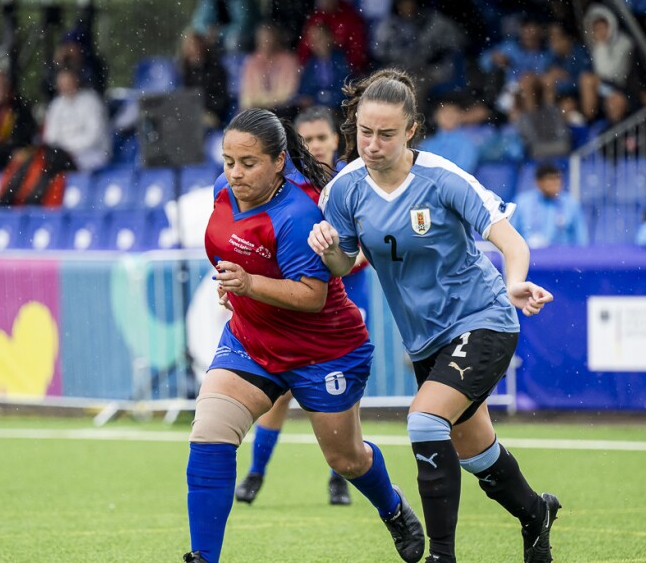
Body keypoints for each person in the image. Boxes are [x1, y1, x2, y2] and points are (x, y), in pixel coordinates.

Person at [309, 69, 560, 563]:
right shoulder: (343, 190)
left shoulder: (443, 179)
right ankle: (536, 514)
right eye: (364, 132)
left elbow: (511, 242)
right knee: (476, 453)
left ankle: (441, 556)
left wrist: (514, 282)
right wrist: (328, 248)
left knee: (424, 421)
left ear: (411, 130)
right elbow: (343, 262)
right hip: (425, 340)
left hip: (484, 318)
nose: (372, 144)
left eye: (386, 134)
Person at [184, 108, 424, 563]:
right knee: (210, 435)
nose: (235, 173)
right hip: (251, 341)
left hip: (324, 351)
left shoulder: (297, 214)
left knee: (346, 459)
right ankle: (203, 557)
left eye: (248, 163)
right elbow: (238, 249)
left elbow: (313, 296)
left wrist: (249, 284)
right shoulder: (223, 191)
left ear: (279, 161)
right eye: (228, 161)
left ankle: (392, 507)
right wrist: (235, 286)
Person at [233, 106, 370, 508]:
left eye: (321, 138)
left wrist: (334, 260)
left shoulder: (347, 185)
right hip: (292, 309)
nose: (315, 146)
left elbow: (364, 245)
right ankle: (256, 473)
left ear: (336, 140)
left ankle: (339, 480)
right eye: (306, 140)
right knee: (279, 396)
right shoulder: (288, 188)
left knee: (343, 404)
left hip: (343, 309)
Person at [43, 67, 111, 173]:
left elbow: (93, 137)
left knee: (55, 166)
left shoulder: (91, 101)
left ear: (76, 81)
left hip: (92, 153)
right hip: (63, 155)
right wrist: (63, 150)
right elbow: (50, 137)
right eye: (62, 84)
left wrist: (68, 148)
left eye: (68, 82)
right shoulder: (56, 104)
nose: (65, 87)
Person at [298, 0, 369, 74]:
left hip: (345, 69)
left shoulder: (351, 17)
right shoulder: (315, 18)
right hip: (319, 69)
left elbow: (357, 53)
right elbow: (304, 51)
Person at [512, 163, 589, 248]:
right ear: (538, 183)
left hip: (562, 254)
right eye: (550, 181)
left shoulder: (571, 204)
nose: (554, 186)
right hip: (529, 252)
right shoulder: (523, 203)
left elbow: (581, 239)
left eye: (557, 181)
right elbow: (511, 234)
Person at [579, 4, 633, 124]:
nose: (601, 32)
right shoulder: (594, 48)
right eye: (596, 29)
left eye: (603, 28)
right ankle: (586, 122)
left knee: (588, 81)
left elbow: (608, 73)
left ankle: (587, 120)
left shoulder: (624, 43)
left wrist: (601, 46)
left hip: (623, 88)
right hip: (604, 87)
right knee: (585, 79)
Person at [239, 23, 300, 113]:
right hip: (256, 111)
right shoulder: (252, 61)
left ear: (276, 39)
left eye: (269, 39)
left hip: (281, 110)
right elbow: (247, 97)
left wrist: (263, 102)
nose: (266, 43)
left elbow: (287, 95)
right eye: (262, 39)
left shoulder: (288, 60)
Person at [179, 31, 231, 127]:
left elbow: (221, 100)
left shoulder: (216, 69)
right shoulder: (183, 71)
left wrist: (201, 106)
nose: (192, 49)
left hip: (210, 113)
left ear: (202, 46)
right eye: (188, 46)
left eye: (194, 45)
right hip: (189, 112)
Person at [418, 95, 480, 175]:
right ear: (436, 115)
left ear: (460, 115)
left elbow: (462, 172)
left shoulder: (466, 143)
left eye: (453, 112)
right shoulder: (427, 143)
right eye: (444, 112)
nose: (448, 116)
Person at [296, 23, 352, 110]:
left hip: (337, 109)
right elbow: (304, 91)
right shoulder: (310, 64)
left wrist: (323, 100)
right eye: (312, 41)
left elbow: (344, 89)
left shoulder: (341, 60)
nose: (316, 44)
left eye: (319, 39)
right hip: (315, 110)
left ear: (329, 38)